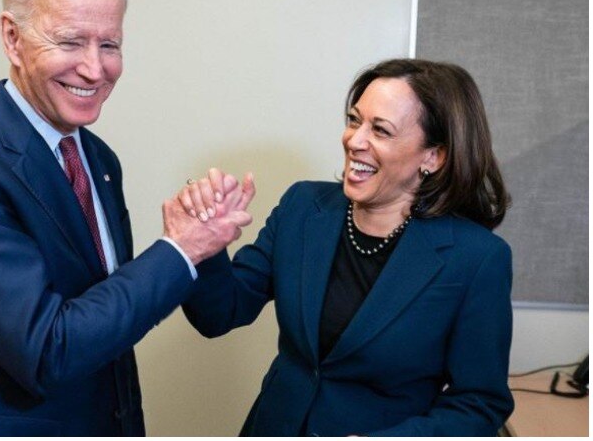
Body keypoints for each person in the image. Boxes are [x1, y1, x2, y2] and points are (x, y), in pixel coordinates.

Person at [0, 0, 253, 436]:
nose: (95, 68)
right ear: (12, 38)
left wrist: (199, 242)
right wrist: (180, 249)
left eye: (110, 45)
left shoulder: (98, 159)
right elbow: (48, 349)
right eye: (69, 42)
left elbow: (107, 319)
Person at [179, 58, 514, 436]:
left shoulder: (477, 259)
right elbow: (219, 314)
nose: (354, 140)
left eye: (381, 130)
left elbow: (480, 404)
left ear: (433, 157)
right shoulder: (303, 207)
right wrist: (205, 245)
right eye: (355, 120)